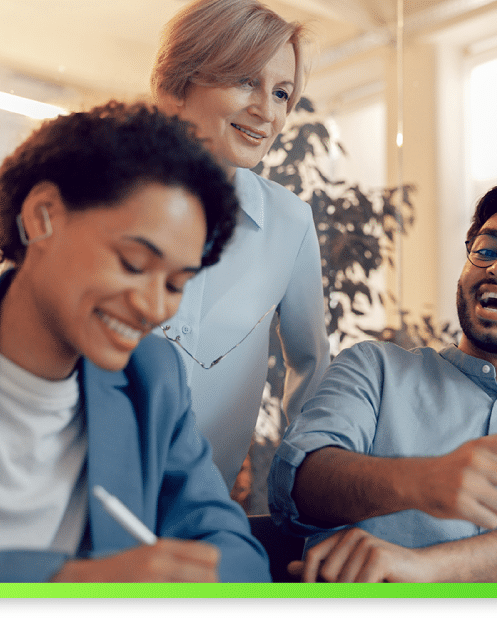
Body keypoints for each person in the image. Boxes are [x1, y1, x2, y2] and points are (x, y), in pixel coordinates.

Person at [0, 102, 270, 583]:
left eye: (175, 284)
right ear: (44, 216)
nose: (153, 307)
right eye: (134, 264)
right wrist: (66, 582)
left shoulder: (152, 378)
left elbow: (235, 555)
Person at [268, 175, 497, 582]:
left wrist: (421, 567)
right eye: (486, 249)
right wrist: (422, 480)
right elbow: (295, 486)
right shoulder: (374, 368)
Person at [152, 0, 330, 491]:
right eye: (245, 81)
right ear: (176, 85)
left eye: (281, 93)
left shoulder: (290, 223)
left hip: (204, 510)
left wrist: (300, 492)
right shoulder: (105, 195)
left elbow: (312, 372)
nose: (267, 112)